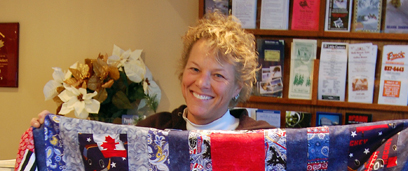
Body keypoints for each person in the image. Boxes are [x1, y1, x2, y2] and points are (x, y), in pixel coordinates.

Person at [31, 12, 272, 131]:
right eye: (195, 69)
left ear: (237, 87)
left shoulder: (262, 139)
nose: (202, 82)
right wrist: (53, 131)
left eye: (218, 75)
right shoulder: (153, 129)